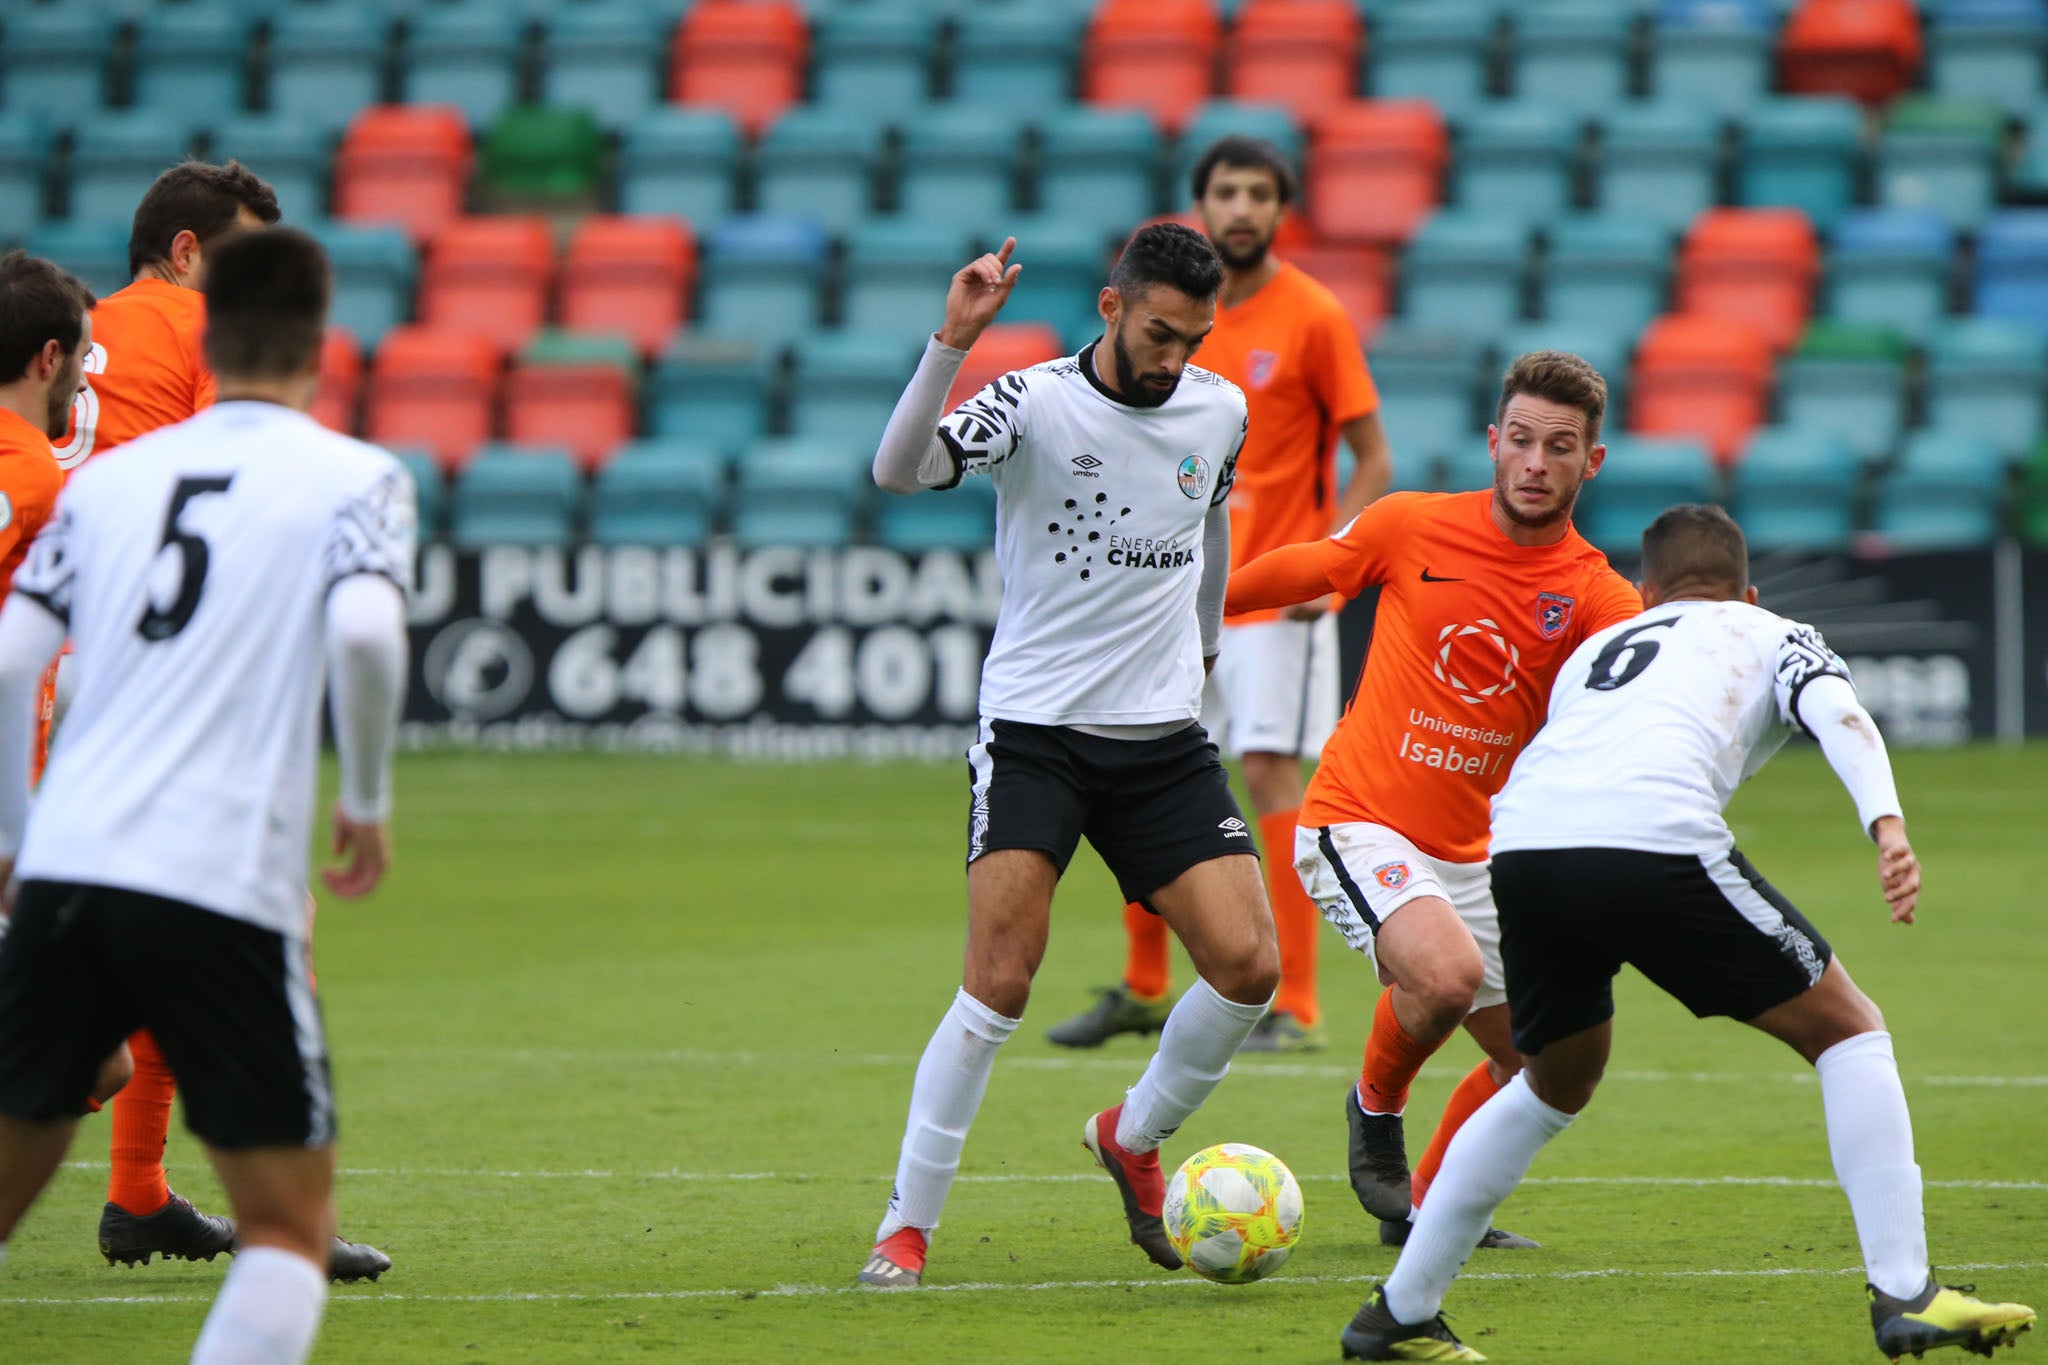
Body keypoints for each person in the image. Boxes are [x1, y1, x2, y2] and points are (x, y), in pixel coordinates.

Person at [1338, 504, 2037, 1363]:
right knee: (1851, 1031)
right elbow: (1840, 713)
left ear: (1645, 589)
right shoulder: (1771, 628)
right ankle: (1906, 1289)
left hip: (1521, 845)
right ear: (1746, 589)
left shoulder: (1599, 649)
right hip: (1652, 838)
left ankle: (1398, 1314)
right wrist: (1886, 824)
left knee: (1554, 1080)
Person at [0, 226, 413, 1365]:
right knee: (287, 1230)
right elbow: (371, 634)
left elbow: (8, 658)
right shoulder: (355, 476)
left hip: (71, 863)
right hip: (219, 872)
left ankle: (139, 1197)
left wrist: (14, 838)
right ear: (317, 347)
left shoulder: (110, 479)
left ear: (208, 341)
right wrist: (367, 796)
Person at [857, 224, 1278, 1290]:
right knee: (998, 984)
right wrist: (952, 344)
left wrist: (1208, 642)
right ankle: (904, 1228)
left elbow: (1210, 518)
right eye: (1155, 333)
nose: (1172, 358)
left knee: (1247, 968)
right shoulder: (1033, 403)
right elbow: (898, 470)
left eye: (1192, 338)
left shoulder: (1220, 408)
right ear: (1109, 307)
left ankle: (1130, 1136)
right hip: (1037, 736)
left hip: (1161, 743)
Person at [1226, 352, 1642, 1248]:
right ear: (1494, 444)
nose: (1536, 462)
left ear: (1590, 463)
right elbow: (1313, 568)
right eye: (1522, 441)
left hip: (1476, 853)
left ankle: (1425, 1210)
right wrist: (1195, 603)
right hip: (1355, 817)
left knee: (1541, 1061)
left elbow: (1640, 691)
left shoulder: (1598, 594)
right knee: (1445, 975)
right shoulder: (1412, 525)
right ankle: (1375, 1104)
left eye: (1559, 447)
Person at [1047, 135, 1391, 1056]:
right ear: (1201, 204)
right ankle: (1146, 983)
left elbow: (1374, 460)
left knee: (1274, 771)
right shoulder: (1171, 316)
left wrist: (1334, 557)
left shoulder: (1313, 315)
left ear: (1283, 209)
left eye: (1259, 193)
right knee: (1131, 761)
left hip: (1276, 594)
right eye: (1226, 191)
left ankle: (1300, 1001)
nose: (1242, 208)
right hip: (1164, 593)